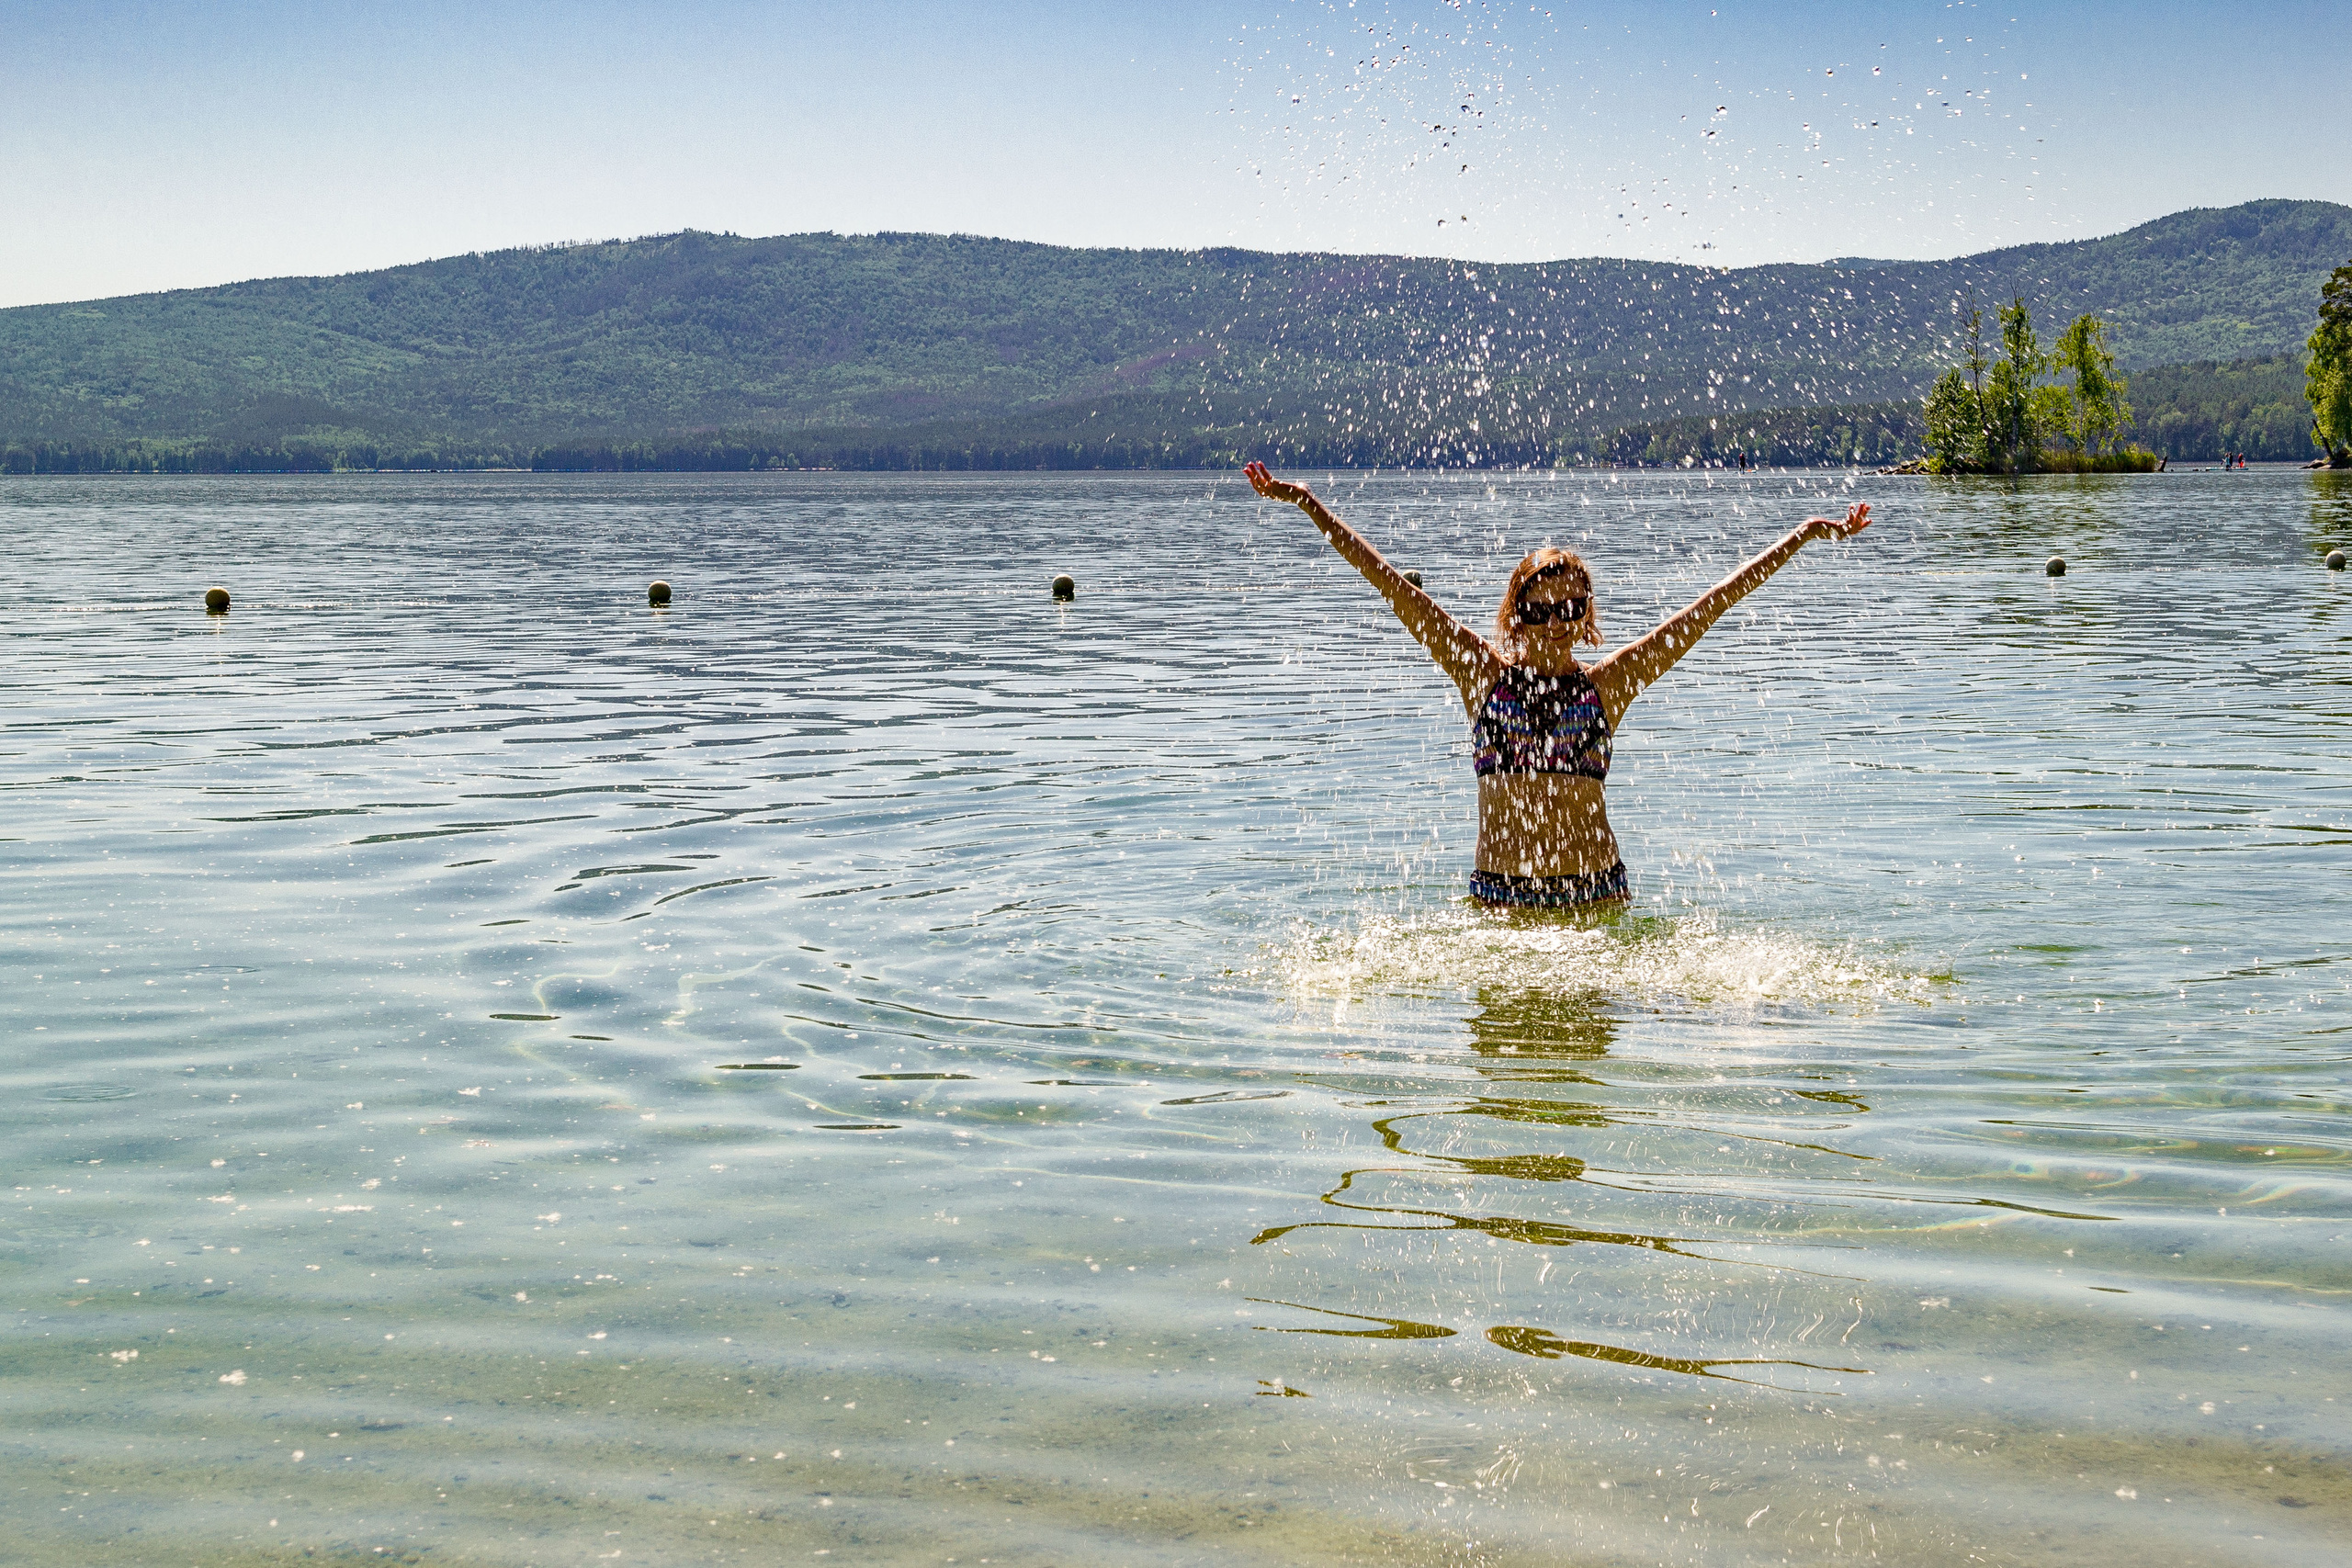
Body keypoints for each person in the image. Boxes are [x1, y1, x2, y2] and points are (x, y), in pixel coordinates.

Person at [1242, 462, 1873, 909]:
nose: (1555, 624)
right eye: (1540, 610)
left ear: (1585, 615)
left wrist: (1805, 533)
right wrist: (1307, 503)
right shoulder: (1481, 674)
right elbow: (1389, 584)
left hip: (1595, 895)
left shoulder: (1609, 684)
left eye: (1569, 609)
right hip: (1500, 898)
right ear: (1516, 613)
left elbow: (1711, 606)